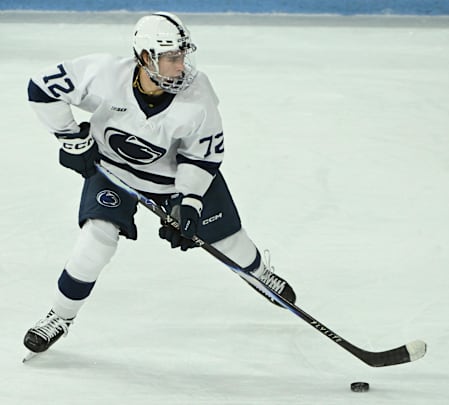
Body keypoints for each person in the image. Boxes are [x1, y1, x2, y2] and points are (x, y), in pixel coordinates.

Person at [23, 12, 296, 355]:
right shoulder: (106, 75)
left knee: (230, 241)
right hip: (114, 170)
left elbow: (201, 157)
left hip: (174, 179)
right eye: (171, 58)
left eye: (182, 56)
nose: (180, 66)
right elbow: (41, 88)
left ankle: (258, 274)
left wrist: (189, 202)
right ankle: (59, 317)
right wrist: (71, 140)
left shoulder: (198, 96)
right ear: (145, 57)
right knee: (95, 242)